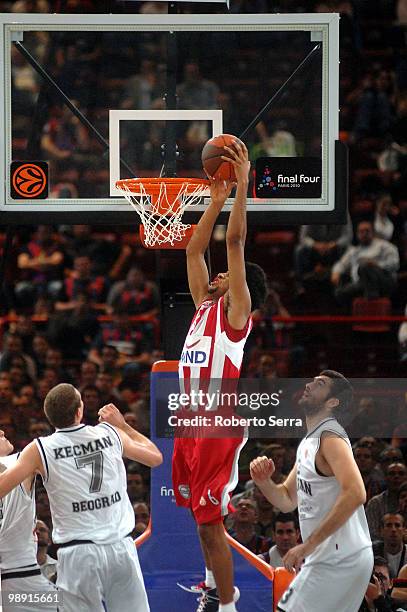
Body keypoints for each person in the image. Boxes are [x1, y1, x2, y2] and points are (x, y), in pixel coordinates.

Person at [172, 140, 267, 612]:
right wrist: (212, 199)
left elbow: (233, 242)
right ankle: (213, 585)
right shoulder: (202, 308)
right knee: (199, 517)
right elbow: (194, 251)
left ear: (238, 286)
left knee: (212, 523)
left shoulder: (235, 315)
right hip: (190, 422)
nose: (216, 274)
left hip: (215, 423)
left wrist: (241, 185)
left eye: (227, 275)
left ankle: (226, 606)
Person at [0, 383, 163, 612]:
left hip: (74, 556)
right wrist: (124, 425)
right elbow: (156, 457)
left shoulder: (37, 450)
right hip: (119, 548)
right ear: (80, 410)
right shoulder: (110, 433)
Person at [250, 370, 373, 612]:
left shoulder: (331, 437)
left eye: (320, 384)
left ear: (332, 401)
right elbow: (286, 500)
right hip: (334, 557)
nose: (309, 385)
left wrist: (307, 546)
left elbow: (357, 492)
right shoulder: (309, 441)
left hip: (340, 557)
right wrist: (264, 482)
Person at [0, 430, 57, 612]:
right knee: (72, 605)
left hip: (17, 577)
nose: (2, 432)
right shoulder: (20, 461)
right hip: (21, 578)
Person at [331, 220, 399, 305]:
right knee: (339, 292)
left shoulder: (385, 246)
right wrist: (336, 272)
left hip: (383, 282)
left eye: (367, 231)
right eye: (361, 231)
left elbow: (395, 263)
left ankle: (371, 300)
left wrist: (376, 264)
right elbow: (341, 264)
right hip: (360, 284)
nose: (364, 234)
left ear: (373, 232)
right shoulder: (354, 251)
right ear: (357, 234)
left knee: (364, 266)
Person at [36, 519, 58, 583]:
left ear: (49, 541)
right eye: (34, 530)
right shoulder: (17, 567)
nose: (37, 532)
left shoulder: (59, 568)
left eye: (42, 530)